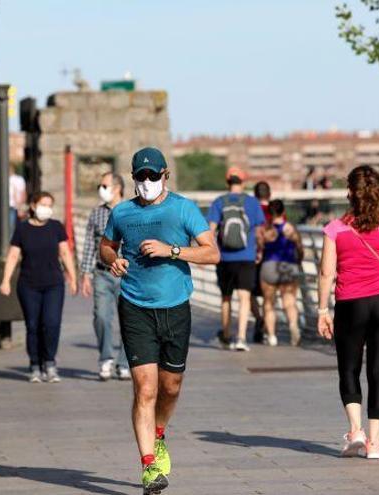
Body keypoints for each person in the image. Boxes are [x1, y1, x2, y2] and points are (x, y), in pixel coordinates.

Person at [100, 147, 219, 494]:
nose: (148, 182)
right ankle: (149, 467)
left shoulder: (182, 208)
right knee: (146, 388)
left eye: (154, 176)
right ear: (134, 177)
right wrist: (113, 259)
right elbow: (107, 245)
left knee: (171, 387)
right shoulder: (122, 212)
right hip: (135, 307)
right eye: (141, 176)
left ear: (165, 175)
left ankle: (159, 432)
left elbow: (212, 253)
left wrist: (174, 250)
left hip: (176, 307)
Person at [317, 165, 379, 460]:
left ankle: (355, 431)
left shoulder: (335, 229)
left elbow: (327, 273)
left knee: (349, 368)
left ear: (349, 192)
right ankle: (374, 443)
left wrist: (323, 309)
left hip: (350, 304)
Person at [0, 192, 78, 383]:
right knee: (33, 326)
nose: (47, 208)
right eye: (43, 204)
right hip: (29, 285)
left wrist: (73, 278)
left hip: (53, 284)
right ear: (33, 206)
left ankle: (50, 363)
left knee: (51, 324)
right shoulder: (22, 229)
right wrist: (5, 280)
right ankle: (35, 364)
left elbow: (65, 253)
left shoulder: (56, 227)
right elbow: (12, 256)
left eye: (50, 205)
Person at [207, 166, 265, 351]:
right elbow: (259, 231)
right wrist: (259, 251)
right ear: (243, 181)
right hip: (246, 256)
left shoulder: (218, 202)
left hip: (224, 258)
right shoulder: (252, 202)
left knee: (226, 298)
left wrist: (208, 252)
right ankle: (241, 338)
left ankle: (226, 336)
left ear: (227, 182)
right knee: (245, 297)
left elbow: (210, 231)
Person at [80, 172, 130, 381]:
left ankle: (125, 363)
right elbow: (91, 243)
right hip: (102, 272)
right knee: (101, 316)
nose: (101, 189)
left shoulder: (132, 211)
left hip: (128, 275)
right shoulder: (97, 213)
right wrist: (84, 274)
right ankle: (106, 358)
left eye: (104, 185)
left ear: (117, 187)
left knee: (130, 320)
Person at [259, 200, 303, 347]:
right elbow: (300, 248)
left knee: (269, 303)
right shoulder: (290, 228)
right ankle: (293, 327)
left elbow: (259, 248)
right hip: (288, 266)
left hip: (269, 267)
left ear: (270, 213)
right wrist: (298, 261)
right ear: (283, 212)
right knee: (289, 302)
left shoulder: (266, 229)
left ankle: (272, 336)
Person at [250, 181, 272, 343]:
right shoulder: (276, 210)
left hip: (252, 256)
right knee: (268, 295)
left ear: (254, 194)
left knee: (248, 292)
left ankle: (258, 318)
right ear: (269, 194)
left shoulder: (251, 210)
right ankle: (266, 324)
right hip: (271, 257)